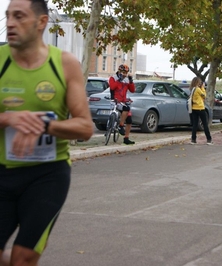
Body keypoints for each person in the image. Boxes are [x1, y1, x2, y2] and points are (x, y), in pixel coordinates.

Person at [0, 0, 93, 265]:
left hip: (47, 175)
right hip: (2, 172)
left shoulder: (63, 64)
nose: (9, 23)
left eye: (19, 16)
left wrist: (44, 126)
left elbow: (85, 127)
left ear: (41, 22)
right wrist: (7, 118)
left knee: (23, 258)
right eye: (8, 16)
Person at [109, 64, 136, 145]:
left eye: (126, 73)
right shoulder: (113, 78)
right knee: (126, 109)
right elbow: (112, 87)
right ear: (119, 71)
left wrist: (131, 81)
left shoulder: (126, 80)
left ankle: (126, 138)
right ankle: (121, 126)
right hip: (115, 101)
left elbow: (132, 90)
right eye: (123, 72)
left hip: (123, 102)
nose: (124, 74)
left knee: (129, 120)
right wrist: (118, 81)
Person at [190, 77, 213, 145]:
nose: (200, 83)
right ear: (197, 82)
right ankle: (209, 139)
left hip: (194, 108)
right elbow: (204, 95)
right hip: (200, 108)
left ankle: (193, 139)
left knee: (195, 124)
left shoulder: (192, 89)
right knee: (205, 124)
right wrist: (202, 87)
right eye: (199, 82)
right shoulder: (197, 89)